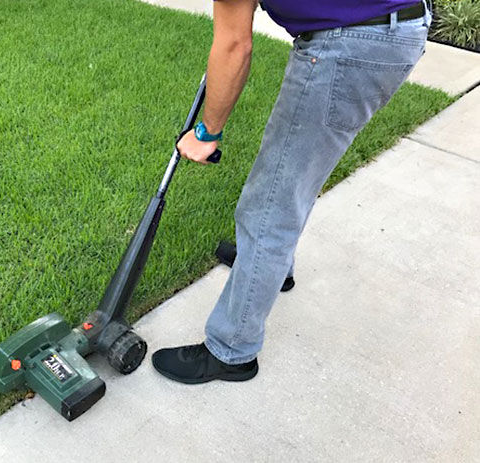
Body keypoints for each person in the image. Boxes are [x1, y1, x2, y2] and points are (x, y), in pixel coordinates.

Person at [151, 0, 431, 384]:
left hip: (351, 43)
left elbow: (234, 44)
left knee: (270, 204)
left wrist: (206, 134)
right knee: (294, 175)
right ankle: (271, 268)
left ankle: (232, 349)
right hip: (391, 27)